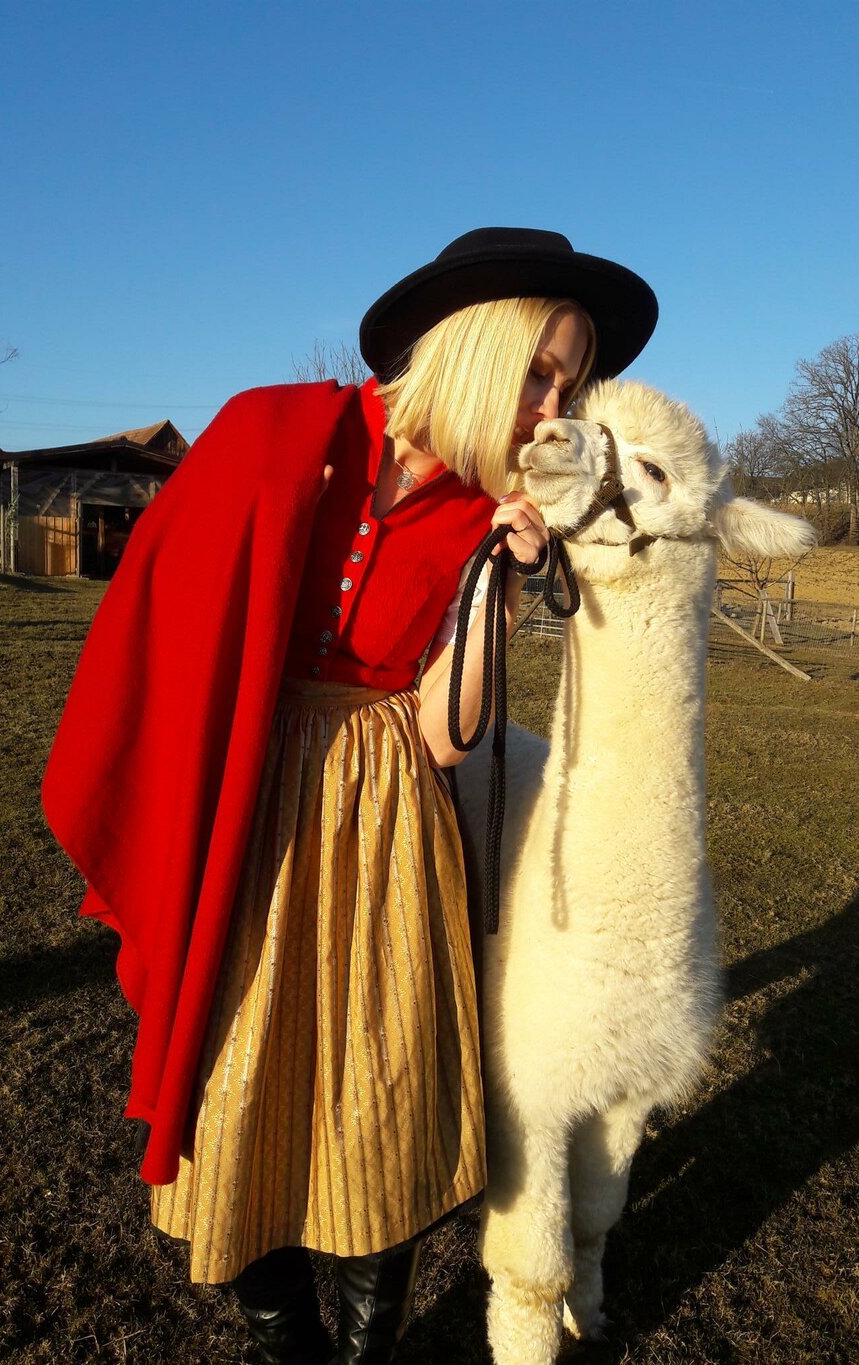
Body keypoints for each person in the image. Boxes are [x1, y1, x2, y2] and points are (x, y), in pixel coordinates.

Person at [42, 226, 657, 1364]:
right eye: (538, 370)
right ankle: (292, 1342)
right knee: (230, 1082)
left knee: (383, 1087)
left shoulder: (486, 514)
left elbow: (444, 731)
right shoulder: (272, 432)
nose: (551, 406)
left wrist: (496, 587)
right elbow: (163, 619)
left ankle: (366, 1352)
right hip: (243, 791)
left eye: (568, 383)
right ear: (473, 348)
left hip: (386, 814)